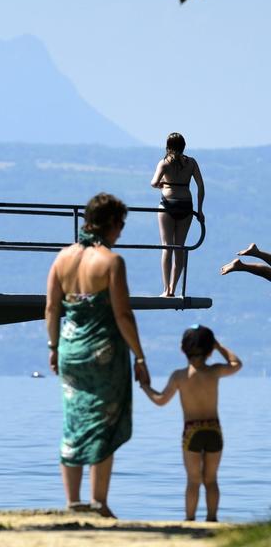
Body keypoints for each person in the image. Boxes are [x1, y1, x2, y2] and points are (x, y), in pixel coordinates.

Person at [45, 192, 150, 518]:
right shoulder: (111, 262)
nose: (121, 231)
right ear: (111, 224)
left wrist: (53, 347)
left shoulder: (62, 259)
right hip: (104, 351)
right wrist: (140, 356)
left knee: (74, 419)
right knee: (103, 424)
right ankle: (99, 502)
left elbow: (51, 308)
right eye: (121, 224)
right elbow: (123, 315)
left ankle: (73, 501)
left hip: (70, 350)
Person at [141, 325, 241, 522]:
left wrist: (145, 386)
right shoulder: (215, 371)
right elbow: (236, 363)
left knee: (193, 480)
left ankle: (190, 520)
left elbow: (161, 400)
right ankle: (212, 519)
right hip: (213, 429)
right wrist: (219, 346)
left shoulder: (179, 376)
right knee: (211, 480)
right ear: (210, 350)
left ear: (182, 349)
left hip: (192, 431)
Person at [150, 132, 205, 297]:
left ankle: (166, 289)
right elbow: (201, 187)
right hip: (186, 206)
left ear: (168, 146)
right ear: (183, 146)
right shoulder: (192, 163)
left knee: (167, 247)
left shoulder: (164, 163)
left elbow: (153, 183)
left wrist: (162, 184)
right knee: (179, 247)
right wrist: (200, 210)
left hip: (167, 205)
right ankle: (174, 288)